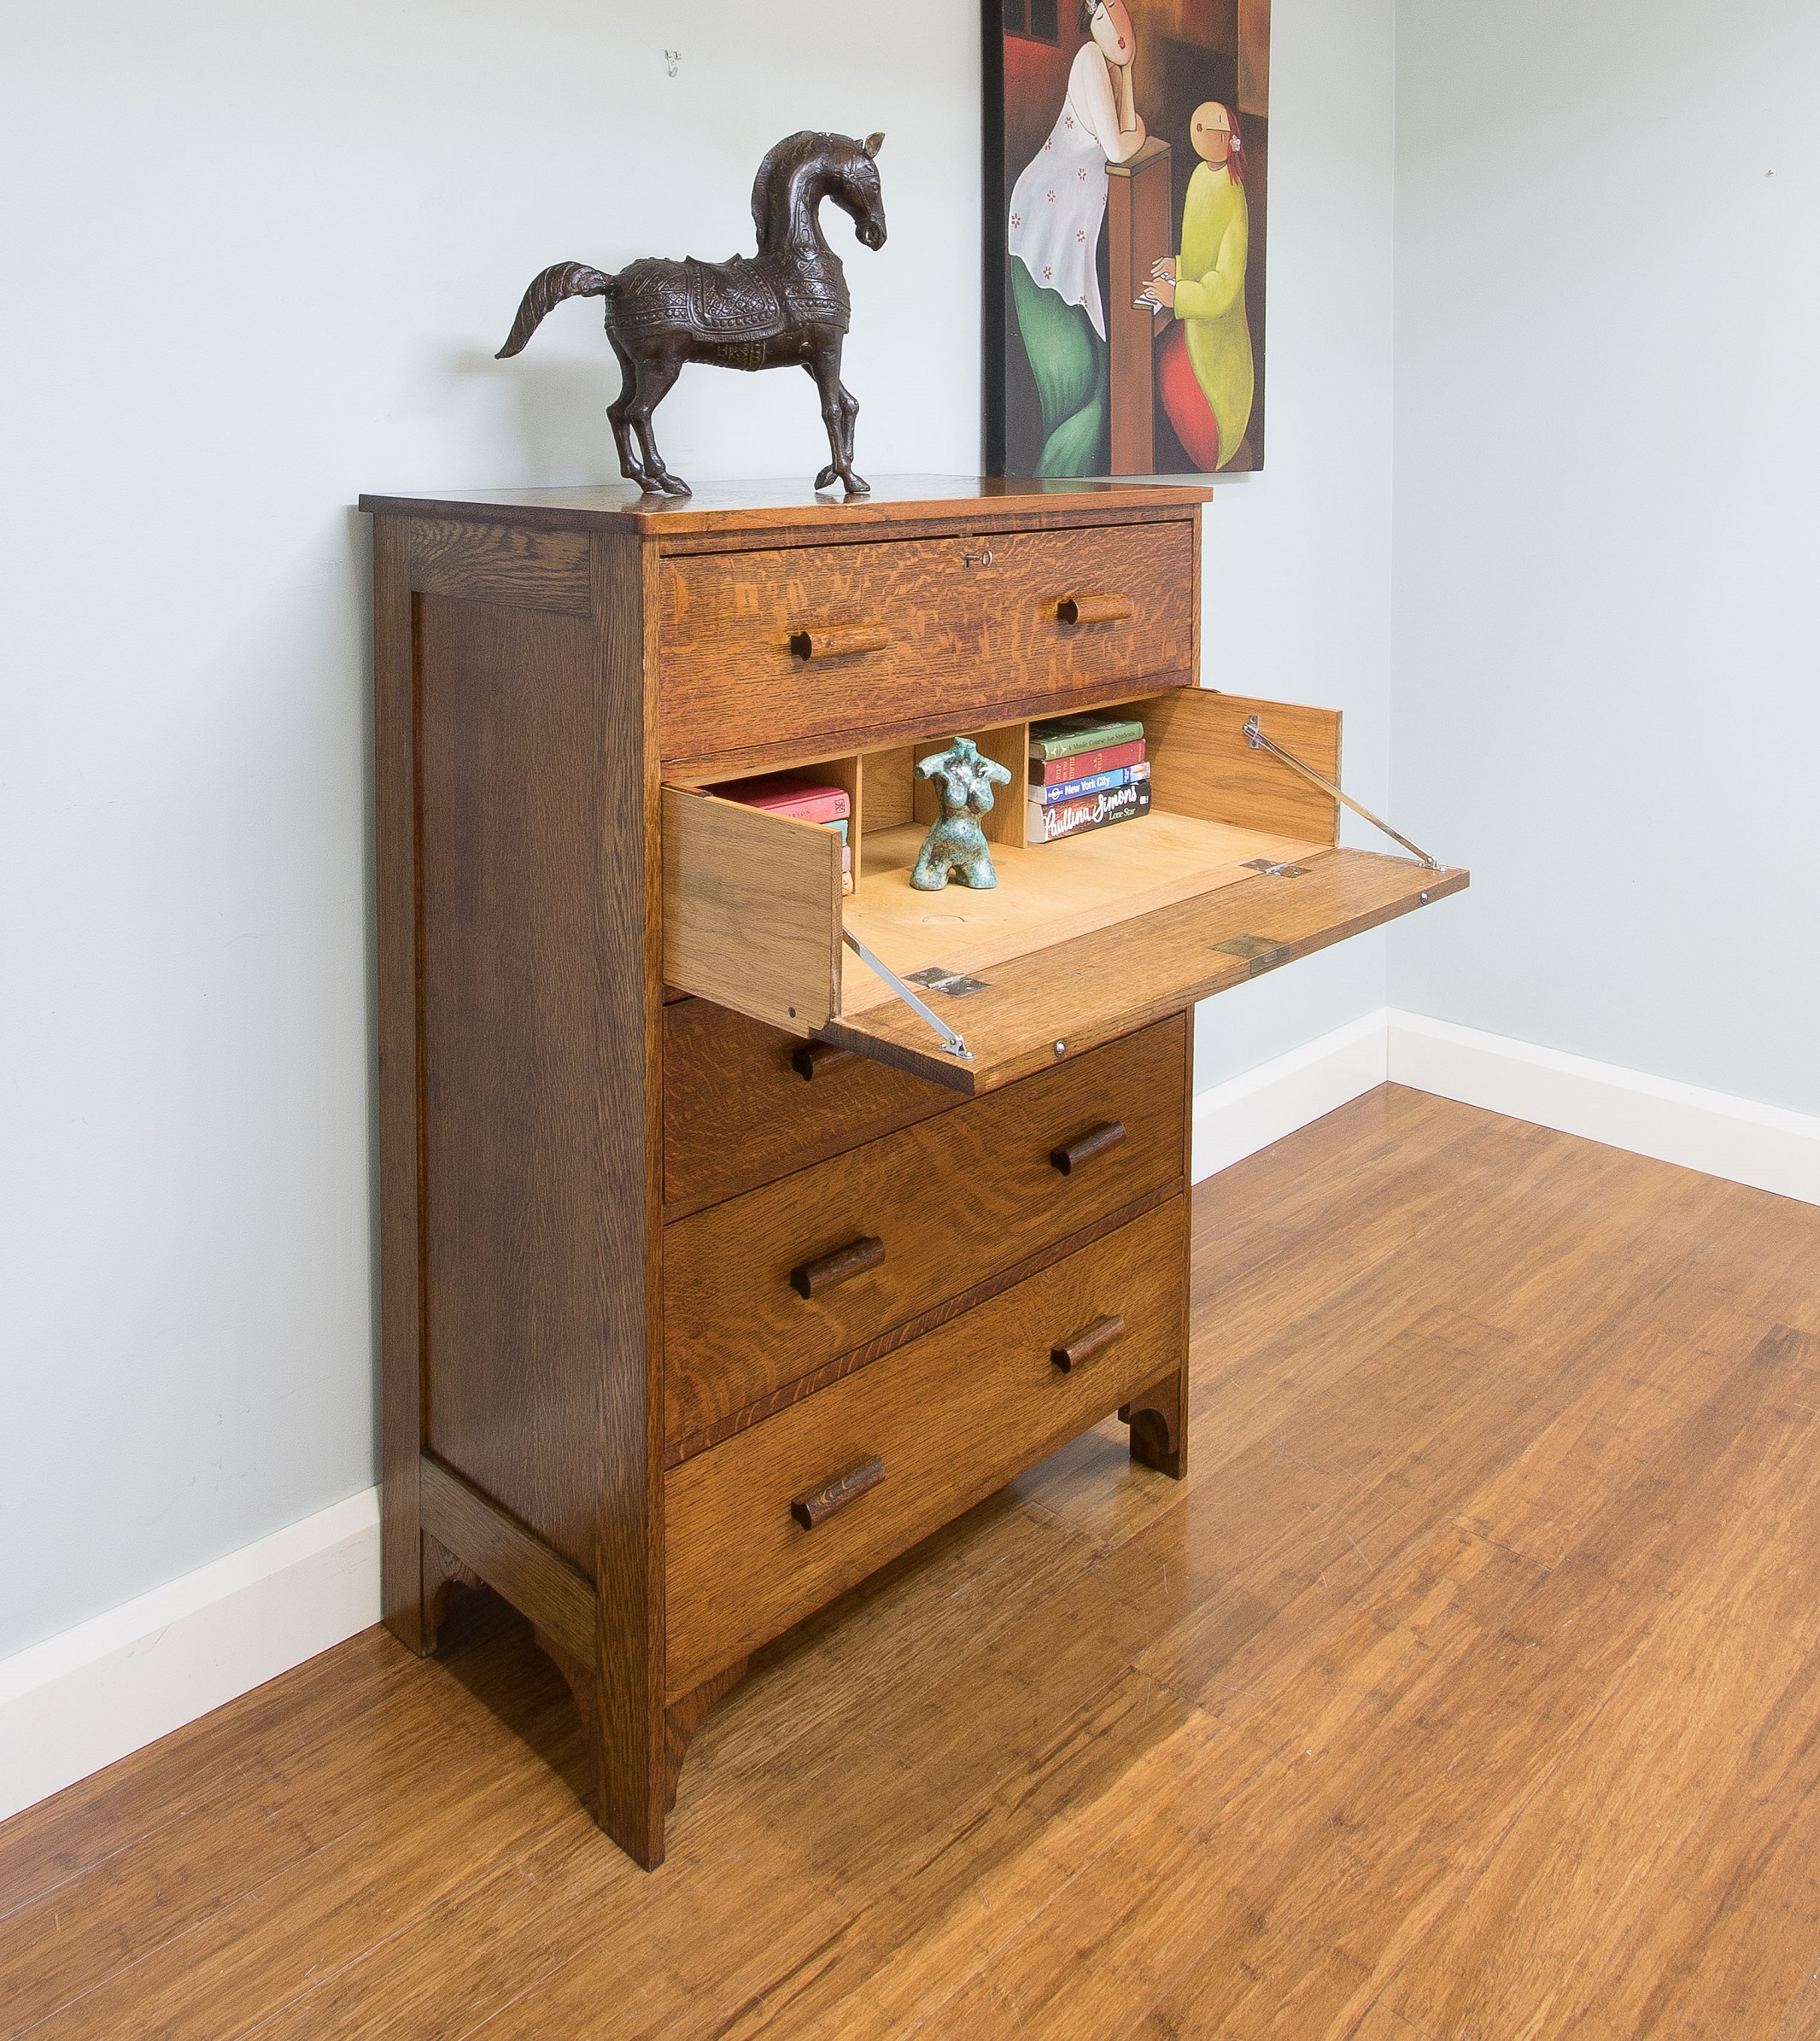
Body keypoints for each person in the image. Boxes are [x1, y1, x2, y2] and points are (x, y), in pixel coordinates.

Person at [1006, 0, 1147, 475]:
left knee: (1096, 371)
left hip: (1071, 229)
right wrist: (1139, 129)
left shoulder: (1108, 68)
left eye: (1122, 12)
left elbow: (1125, 140)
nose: (1119, 25)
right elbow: (1120, 145)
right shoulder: (1088, 59)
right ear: (1093, 20)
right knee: (1076, 379)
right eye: (1107, 12)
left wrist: (1128, 73)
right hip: (1041, 224)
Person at [1140, 101, 1254, 471]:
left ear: (1230, 140)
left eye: (1214, 128)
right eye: (1199, 125)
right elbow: (1199, 250)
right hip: (1192, 316)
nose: (1201, 132)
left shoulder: (1233, 194)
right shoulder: (1199, 176)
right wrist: (1179, 265)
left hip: (1215, 344)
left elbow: (1224, 286)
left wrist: (1178, 295)